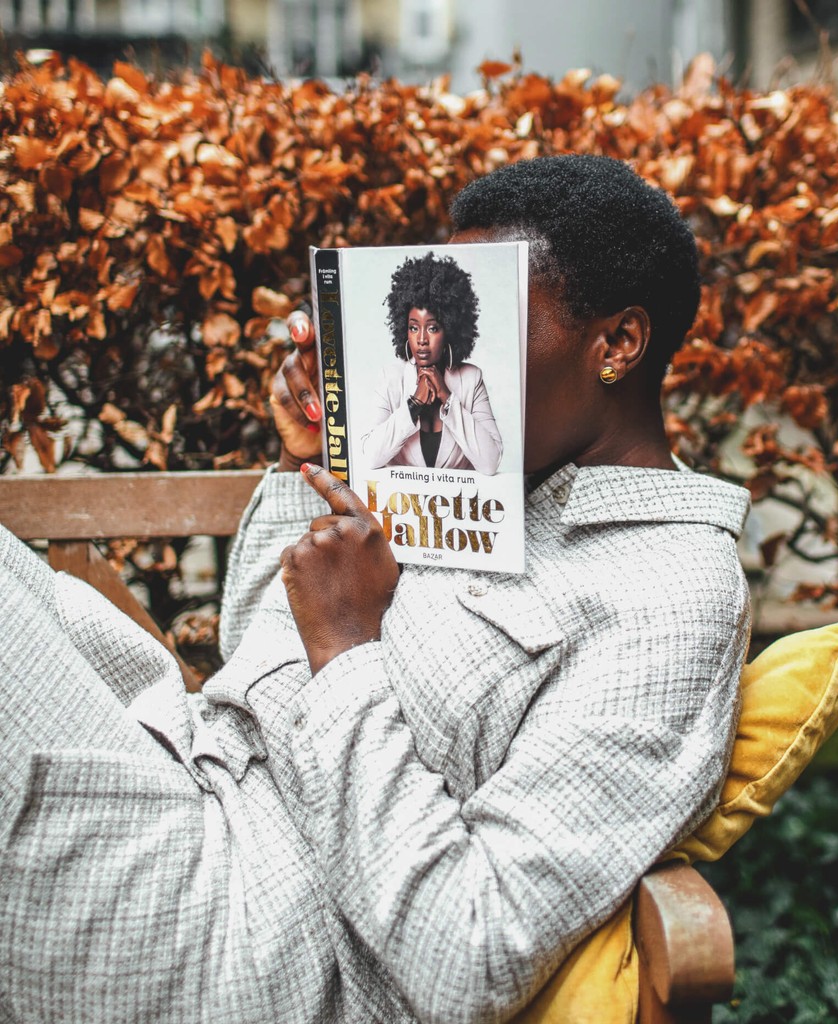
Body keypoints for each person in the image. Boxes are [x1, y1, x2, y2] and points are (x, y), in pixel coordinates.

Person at [0, 155, 751, 1024]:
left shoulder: (671, 600)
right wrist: (306, 471)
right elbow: (260, 662)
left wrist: (350, 652)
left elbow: (465, 954)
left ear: (616, 343)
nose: (440, 351)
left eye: (486, 315)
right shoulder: (492, 468)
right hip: (179, 769)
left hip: (243, 931)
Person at [360, 251, 503, 474]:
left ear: (450, 329)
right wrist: (413, 404)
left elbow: (490, 463)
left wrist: (447, 397)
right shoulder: (391, 379)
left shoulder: (470, 379)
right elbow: (369, 456)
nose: (422, 340)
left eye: (433, 328)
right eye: (414, 328)